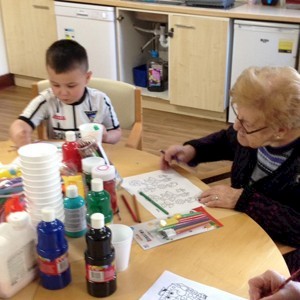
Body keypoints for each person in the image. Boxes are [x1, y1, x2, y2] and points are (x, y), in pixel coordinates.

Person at [160, 66, 300, 275]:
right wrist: (192, 149)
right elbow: (227, 140)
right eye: (238, 116)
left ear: (280, 130)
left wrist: (244, 200)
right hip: (235, 225)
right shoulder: (254, 131)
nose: (236, 126)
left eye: (246, 123)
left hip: (275, 256)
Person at [10, 39, 121, 148]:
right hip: (60, 159)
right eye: (55, 85)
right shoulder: (46, 100)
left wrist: (107, 137)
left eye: (71, 86)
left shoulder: (100, 100)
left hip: (92, 157)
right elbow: (21, 123)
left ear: (87, 78)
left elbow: (116, 132)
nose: (63, 93)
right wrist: (20, 132)